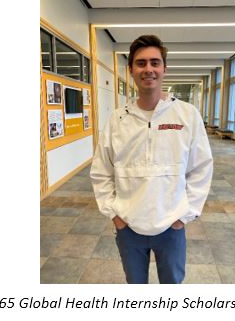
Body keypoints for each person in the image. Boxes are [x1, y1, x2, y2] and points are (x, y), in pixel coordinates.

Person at [90, 35, 213, 284]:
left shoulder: (187, 115)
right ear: (131, 70)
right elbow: (101, 171)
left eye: (155, 62)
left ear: (164, 68)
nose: (148, 69)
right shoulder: (117, 120)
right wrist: (115, 214)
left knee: (171, 285)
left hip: (171, 225)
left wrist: (184, 216)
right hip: (129, 227)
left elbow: (201, 168)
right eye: (141, 63)